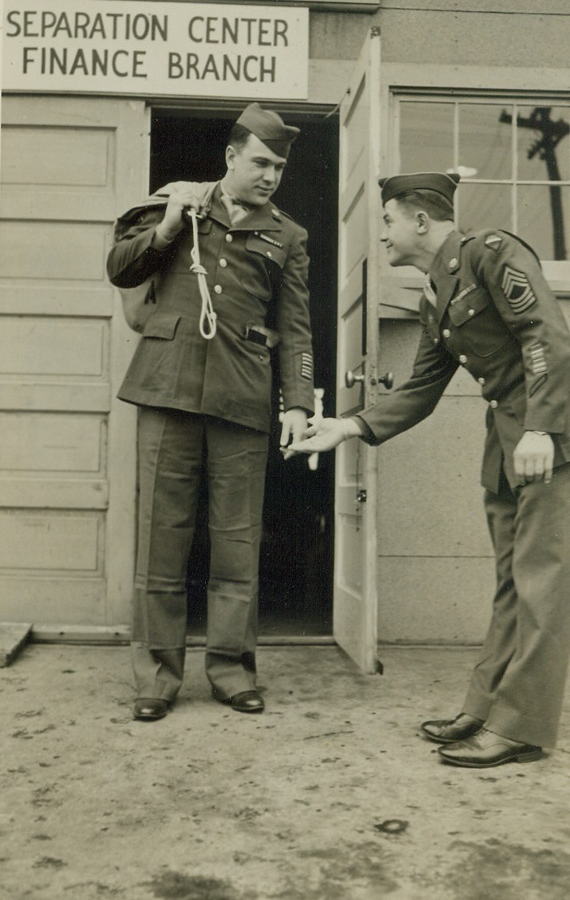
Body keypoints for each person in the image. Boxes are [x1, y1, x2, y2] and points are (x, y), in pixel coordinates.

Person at [286, 171, 570, 768]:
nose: (382, 233)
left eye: (387, 220)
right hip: (508, 441)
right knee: (511, 585)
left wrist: (544, 426)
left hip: (546, 440)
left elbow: (545, 337)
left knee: (542, 587)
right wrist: (350, 426)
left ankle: (522, 728)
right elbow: (420, 388)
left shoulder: (494, 254)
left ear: (421, 220)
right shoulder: (434, 295)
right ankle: (485, 707)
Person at [107, 103, 315, 721]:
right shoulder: (176, 205)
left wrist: (298, 404)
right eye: (260, 162)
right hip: (167, 390)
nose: (270, 176)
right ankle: (157, 677)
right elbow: (119, 268)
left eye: (278, 166)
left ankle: (230, 670)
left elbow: (296, 330)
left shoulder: (289, 236)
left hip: (242, 398)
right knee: (160, 540)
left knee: (236, 543)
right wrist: (170, 225)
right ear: (231, 158)